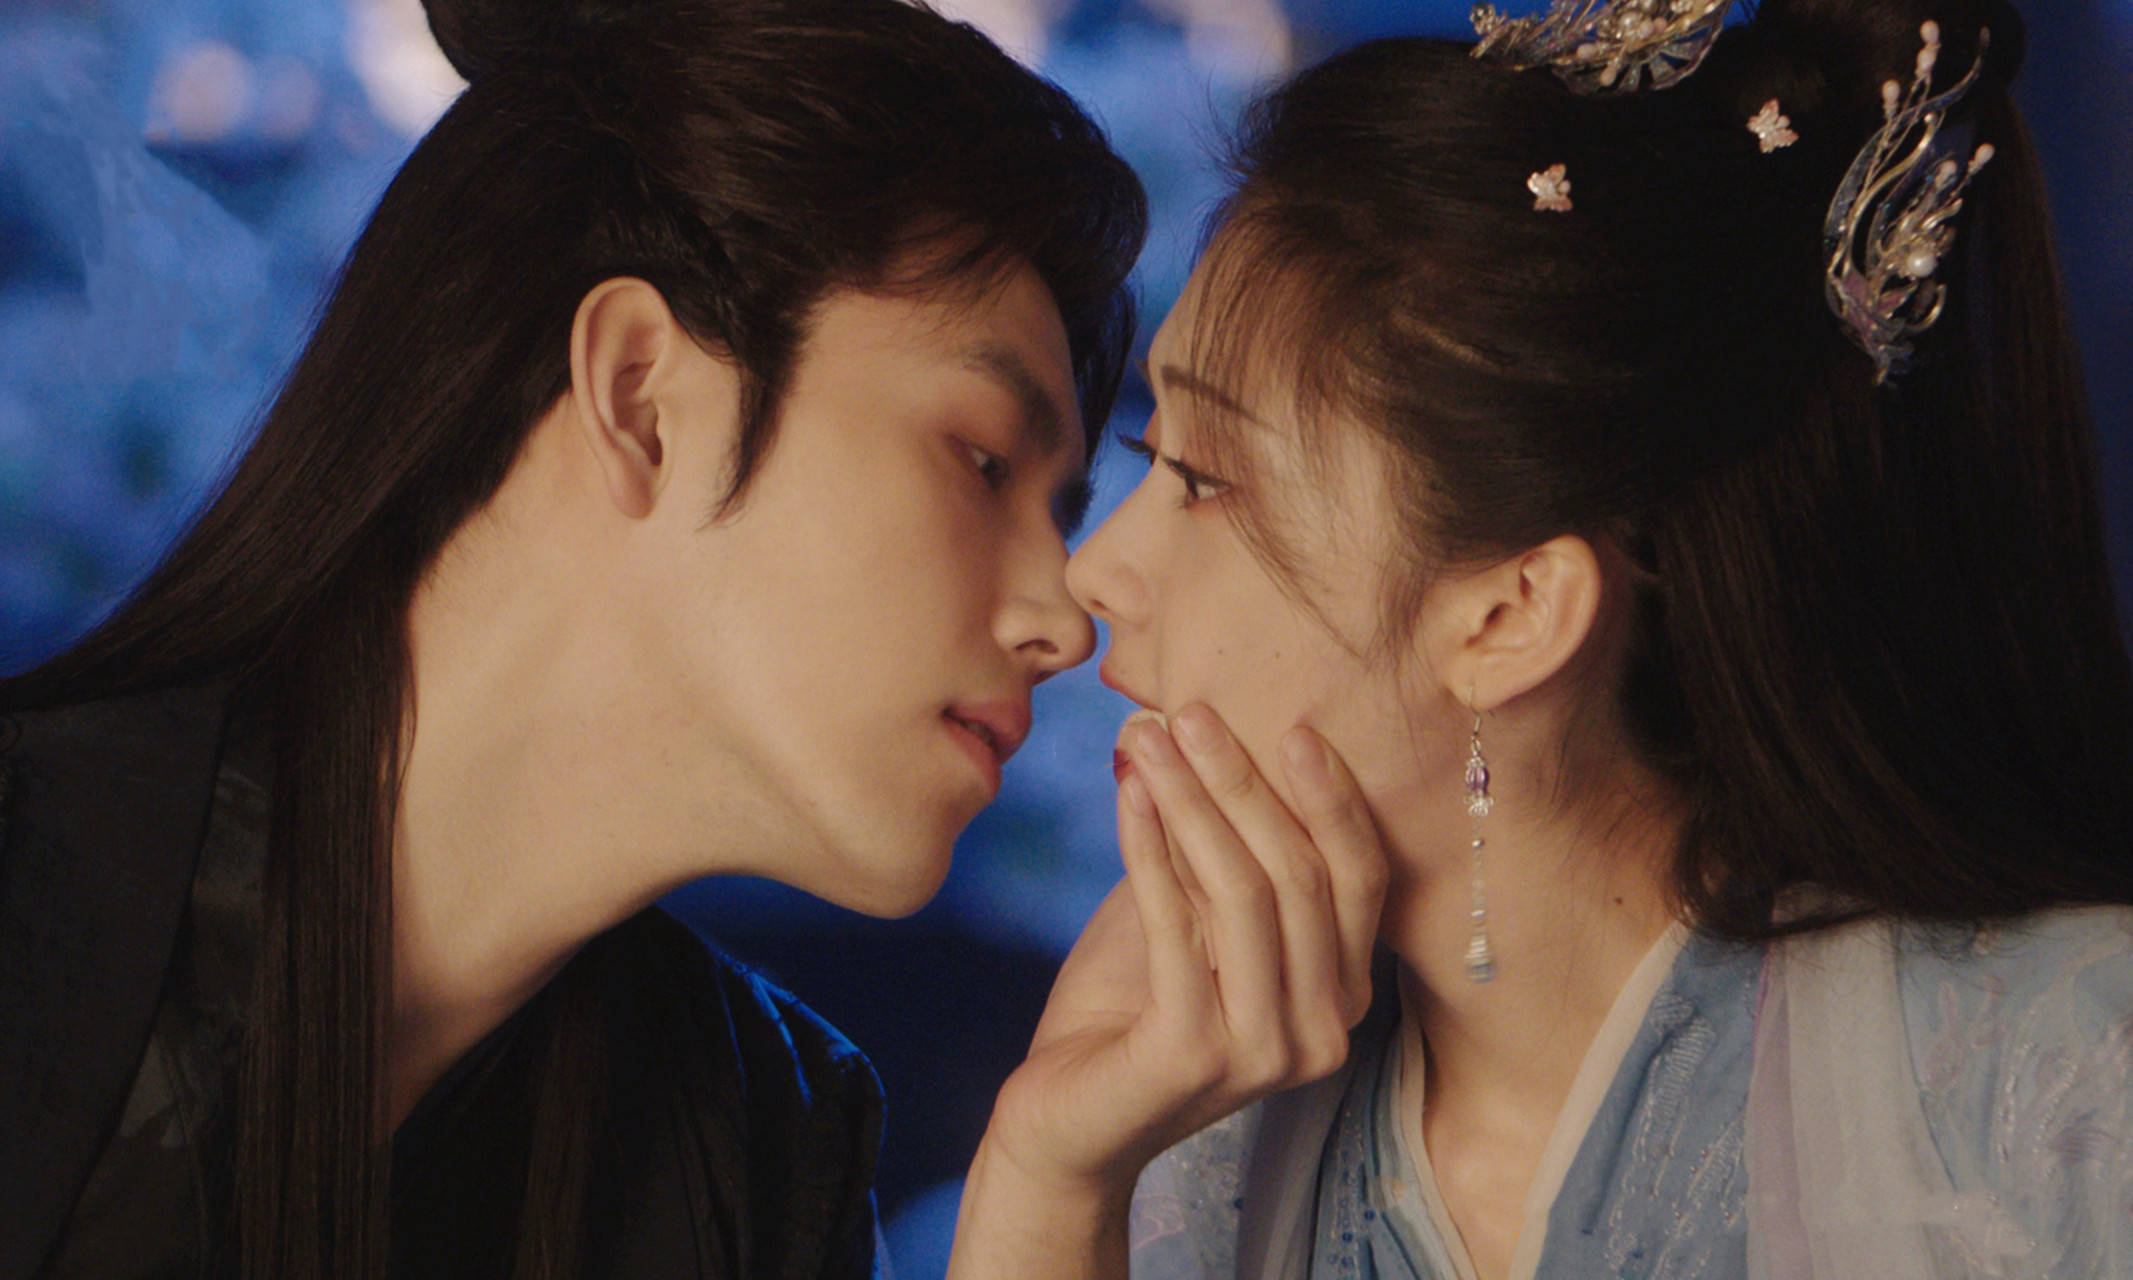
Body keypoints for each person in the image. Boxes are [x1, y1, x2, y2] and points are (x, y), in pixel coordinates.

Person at [945, 0, 2133, 1276]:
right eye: (1150, 451)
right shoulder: (1186, 1137)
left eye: (1202, 479)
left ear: (1513, 615)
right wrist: (1047, 1172)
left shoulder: (2061, 1092)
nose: (1096, 574)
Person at [0, 0, 1146, 1274]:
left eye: (1060, 515)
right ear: (640, 395)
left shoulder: (765, 1150)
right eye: (983, 461)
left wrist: (1051, 1196)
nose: (1063, 620)